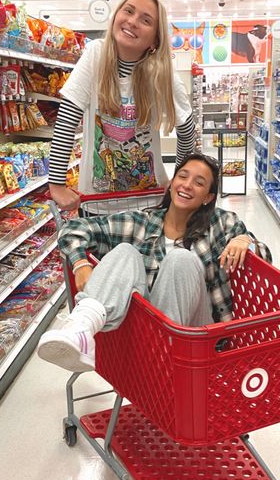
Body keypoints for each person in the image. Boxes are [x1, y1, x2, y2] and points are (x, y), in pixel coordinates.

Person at [37, 153, 255, 373]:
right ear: (171, 184)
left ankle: (165, 353)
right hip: (147, 334)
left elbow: (260, 259)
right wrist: (80, 264)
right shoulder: (142, 223)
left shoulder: (221, 223)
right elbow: (72, 230)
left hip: (198, 337)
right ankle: (81, 328)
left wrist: (245, 239)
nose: (187, 185)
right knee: (124, 251)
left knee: (181, 259)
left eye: (199, 183)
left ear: (208, 197)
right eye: (183, 176)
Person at [49, 0, 196, 211]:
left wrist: (179, 179)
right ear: (116, 15)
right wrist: (56, 184)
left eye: (146, 20)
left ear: (155, 40)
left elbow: (187, 128)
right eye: (128, 11)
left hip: (149, 203)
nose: (133, 21)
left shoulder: (160, 71)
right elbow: (67, 119)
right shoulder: (96, 54)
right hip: (97, 205)